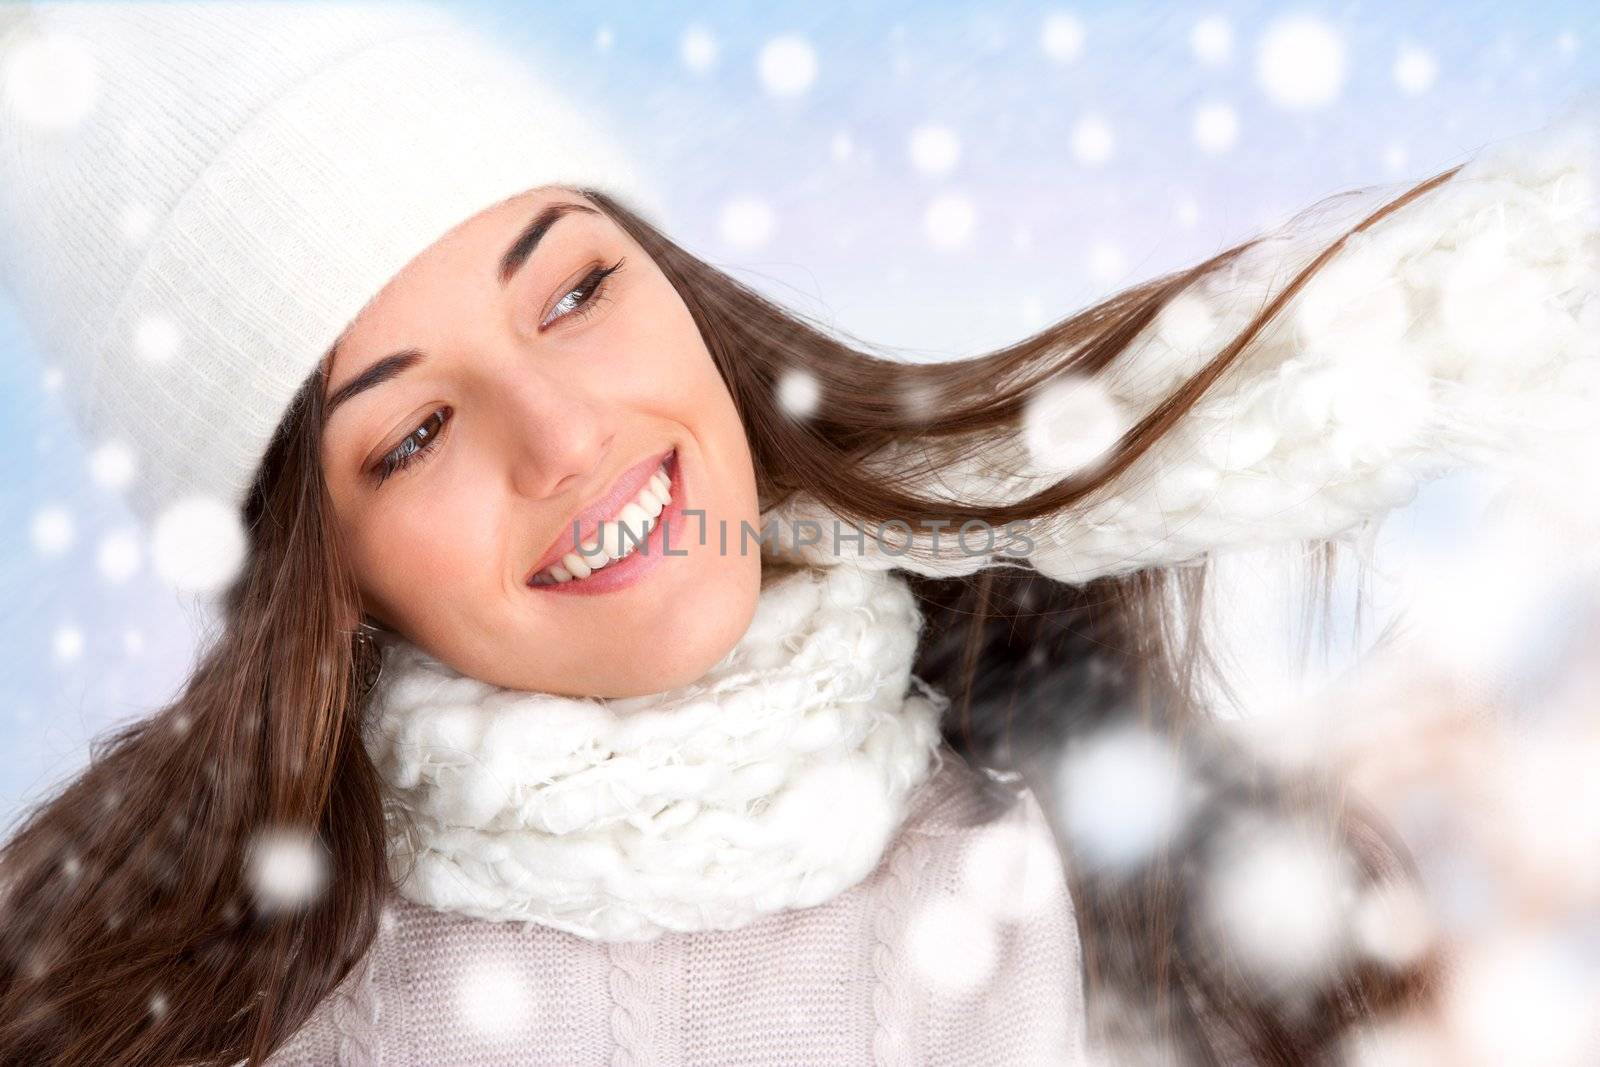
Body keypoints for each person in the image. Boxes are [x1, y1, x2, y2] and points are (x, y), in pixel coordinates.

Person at [0, 3, 1594, 1064]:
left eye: (576, 289)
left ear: (685, 296)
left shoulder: (1078, 893)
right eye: (413, 434)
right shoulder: (294, 1027)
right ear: (320, 584)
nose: (566, 438)